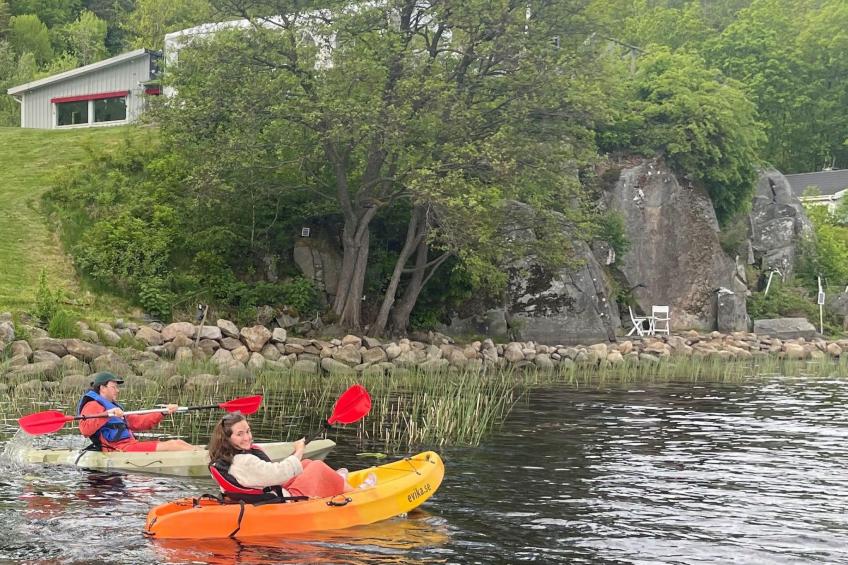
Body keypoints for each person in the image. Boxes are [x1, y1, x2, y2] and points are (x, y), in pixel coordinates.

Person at [207, 412, 358, 503]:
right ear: (227, 438)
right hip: (283, 501)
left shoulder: (224, 459)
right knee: (317, 466)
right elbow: (278, 474)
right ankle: (356, 494)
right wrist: (299, 450)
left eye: (248, 431)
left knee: (306, 464)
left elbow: (265, 474)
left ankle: (337, 481)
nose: (247, 437)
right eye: (240, 434)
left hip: (261, 493)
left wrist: (297, 454)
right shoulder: (244, 462)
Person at [77, 372, 196, 452]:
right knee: (175, 445)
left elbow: (139, 422)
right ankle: (204, 459)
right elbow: (85, 430)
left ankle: (203, 455)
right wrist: (107, 415)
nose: (117, 391)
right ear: (102, 388)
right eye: (114, 387)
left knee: (179, 442)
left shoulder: (114, 407)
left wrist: (163, 412)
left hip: (129, 445)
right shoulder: (92, 405)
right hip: (117, 449)